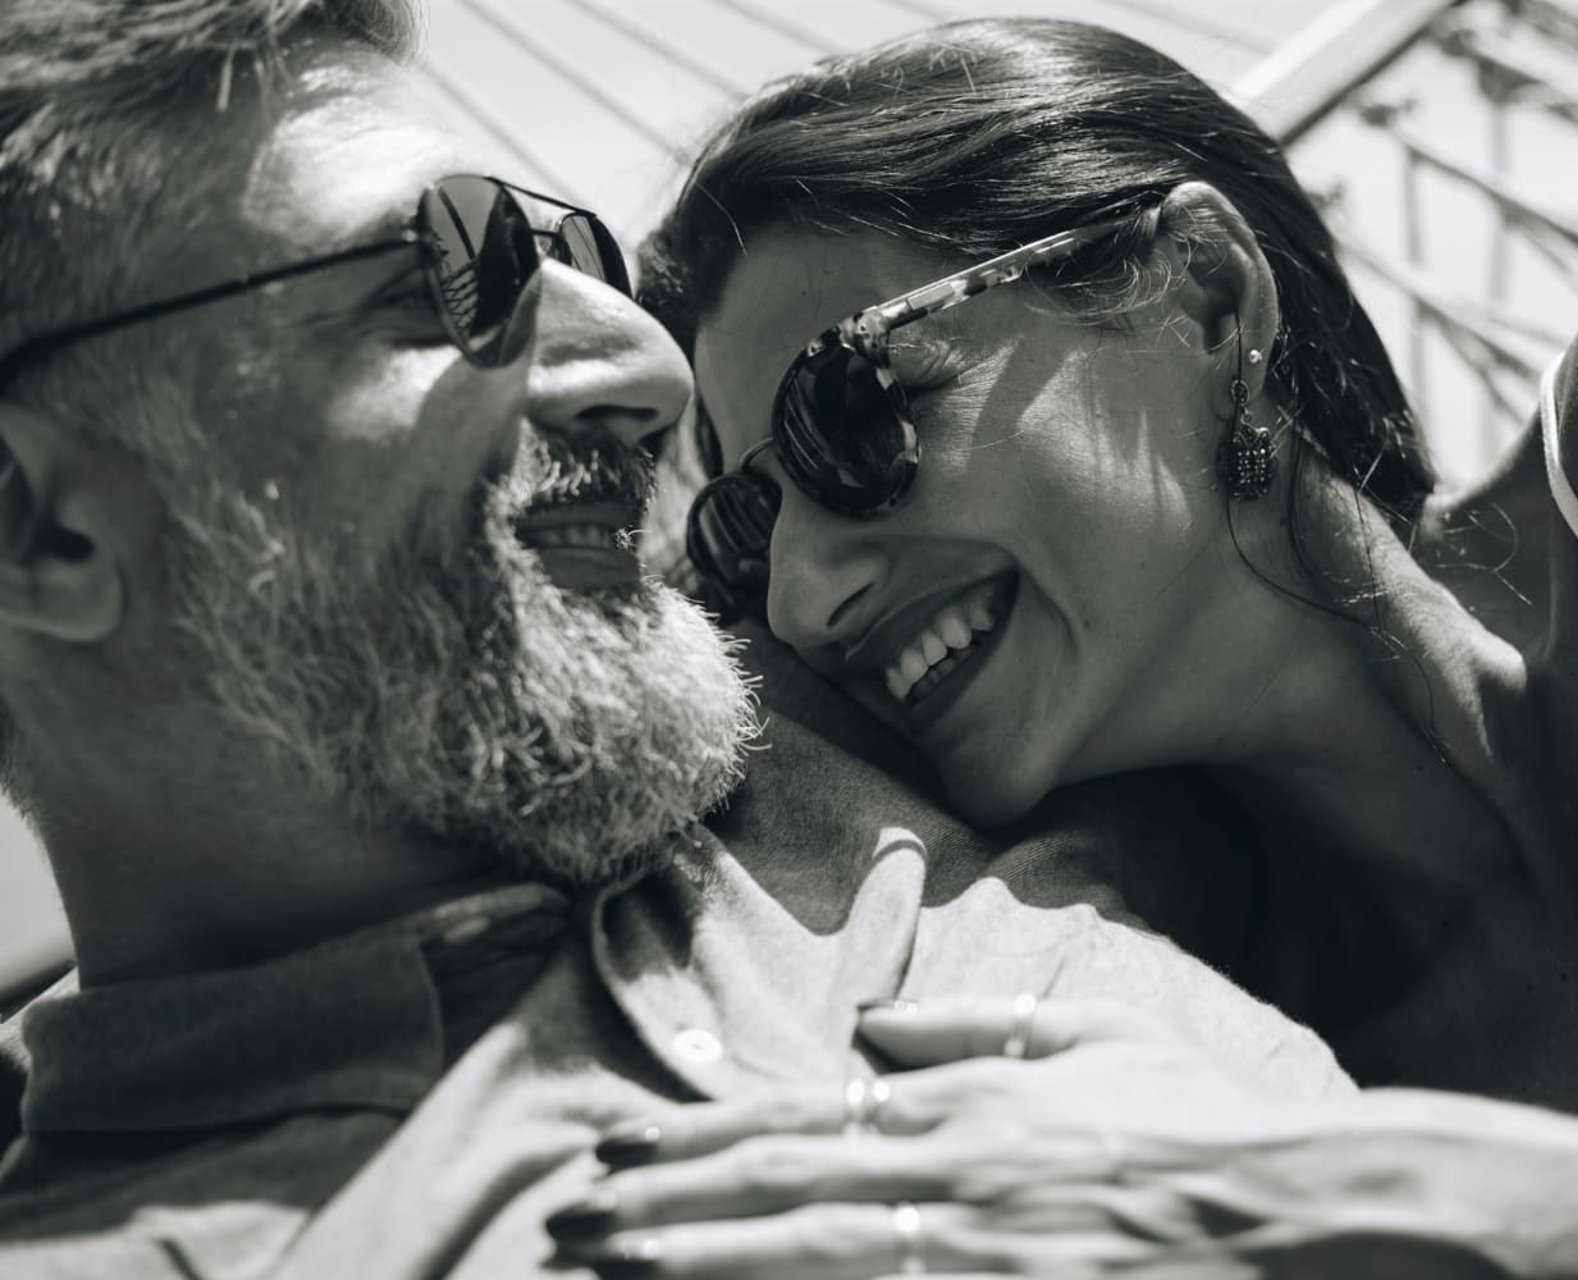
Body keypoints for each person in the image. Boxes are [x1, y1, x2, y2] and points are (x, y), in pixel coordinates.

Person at [0, 2, 1364, 1273]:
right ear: (38, 530)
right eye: (438, 280)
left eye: (566, 259)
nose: (648, 367)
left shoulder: (810, 732)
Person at [650, 17, 1578, 1138]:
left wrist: (1520, 1216)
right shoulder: (1187, 1026)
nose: (801, 595)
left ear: (1203, 295)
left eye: (852, 414)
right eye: (745, 527)